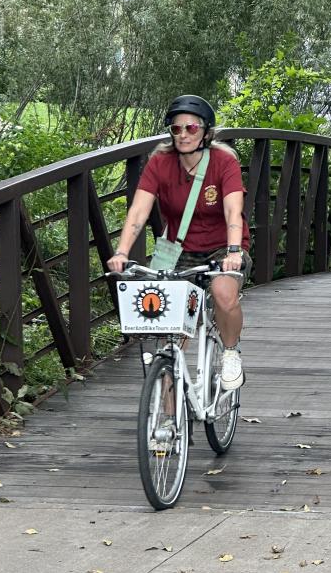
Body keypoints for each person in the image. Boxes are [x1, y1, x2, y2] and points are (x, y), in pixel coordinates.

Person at [107, 95, 250, 389]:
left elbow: (232, 210)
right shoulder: (160, 163)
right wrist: (122, 251)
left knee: (224, 292)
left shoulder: (223, 162)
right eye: (176, 129)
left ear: (206, 132)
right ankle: (168, 427)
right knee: (169, 339)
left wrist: (234, 251)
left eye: (191, 128)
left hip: (223, 247)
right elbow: (138, 211)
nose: (183, 135)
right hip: (178, 251)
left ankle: (231, 352)